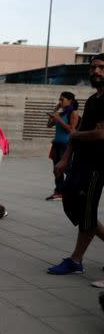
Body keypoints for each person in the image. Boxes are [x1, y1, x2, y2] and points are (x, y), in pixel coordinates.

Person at [48, 55, 104, 275]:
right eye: (93, 68)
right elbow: (77, 136)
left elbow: (101, 134)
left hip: (98, 166)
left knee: (86, 213)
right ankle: (76, 259)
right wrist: (64, 158)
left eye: (101, 67)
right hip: (81, 163)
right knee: (74, 204)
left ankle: (76, 260)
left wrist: (77, 134)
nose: (96, 71)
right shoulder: (92, 100)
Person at [46, 92, 80, 200]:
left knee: (67, 169)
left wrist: (59, 119)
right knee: (56, 169)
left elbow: (71, 129)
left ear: (70, 101)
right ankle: (59, 191)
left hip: (66, 145)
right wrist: (54, 112)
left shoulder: (73, 113)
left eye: (62, 100)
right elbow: (49, 125)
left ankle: (76, 189)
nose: (60, 102)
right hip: (57, 144)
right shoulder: (61, 113)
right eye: (59, 100)